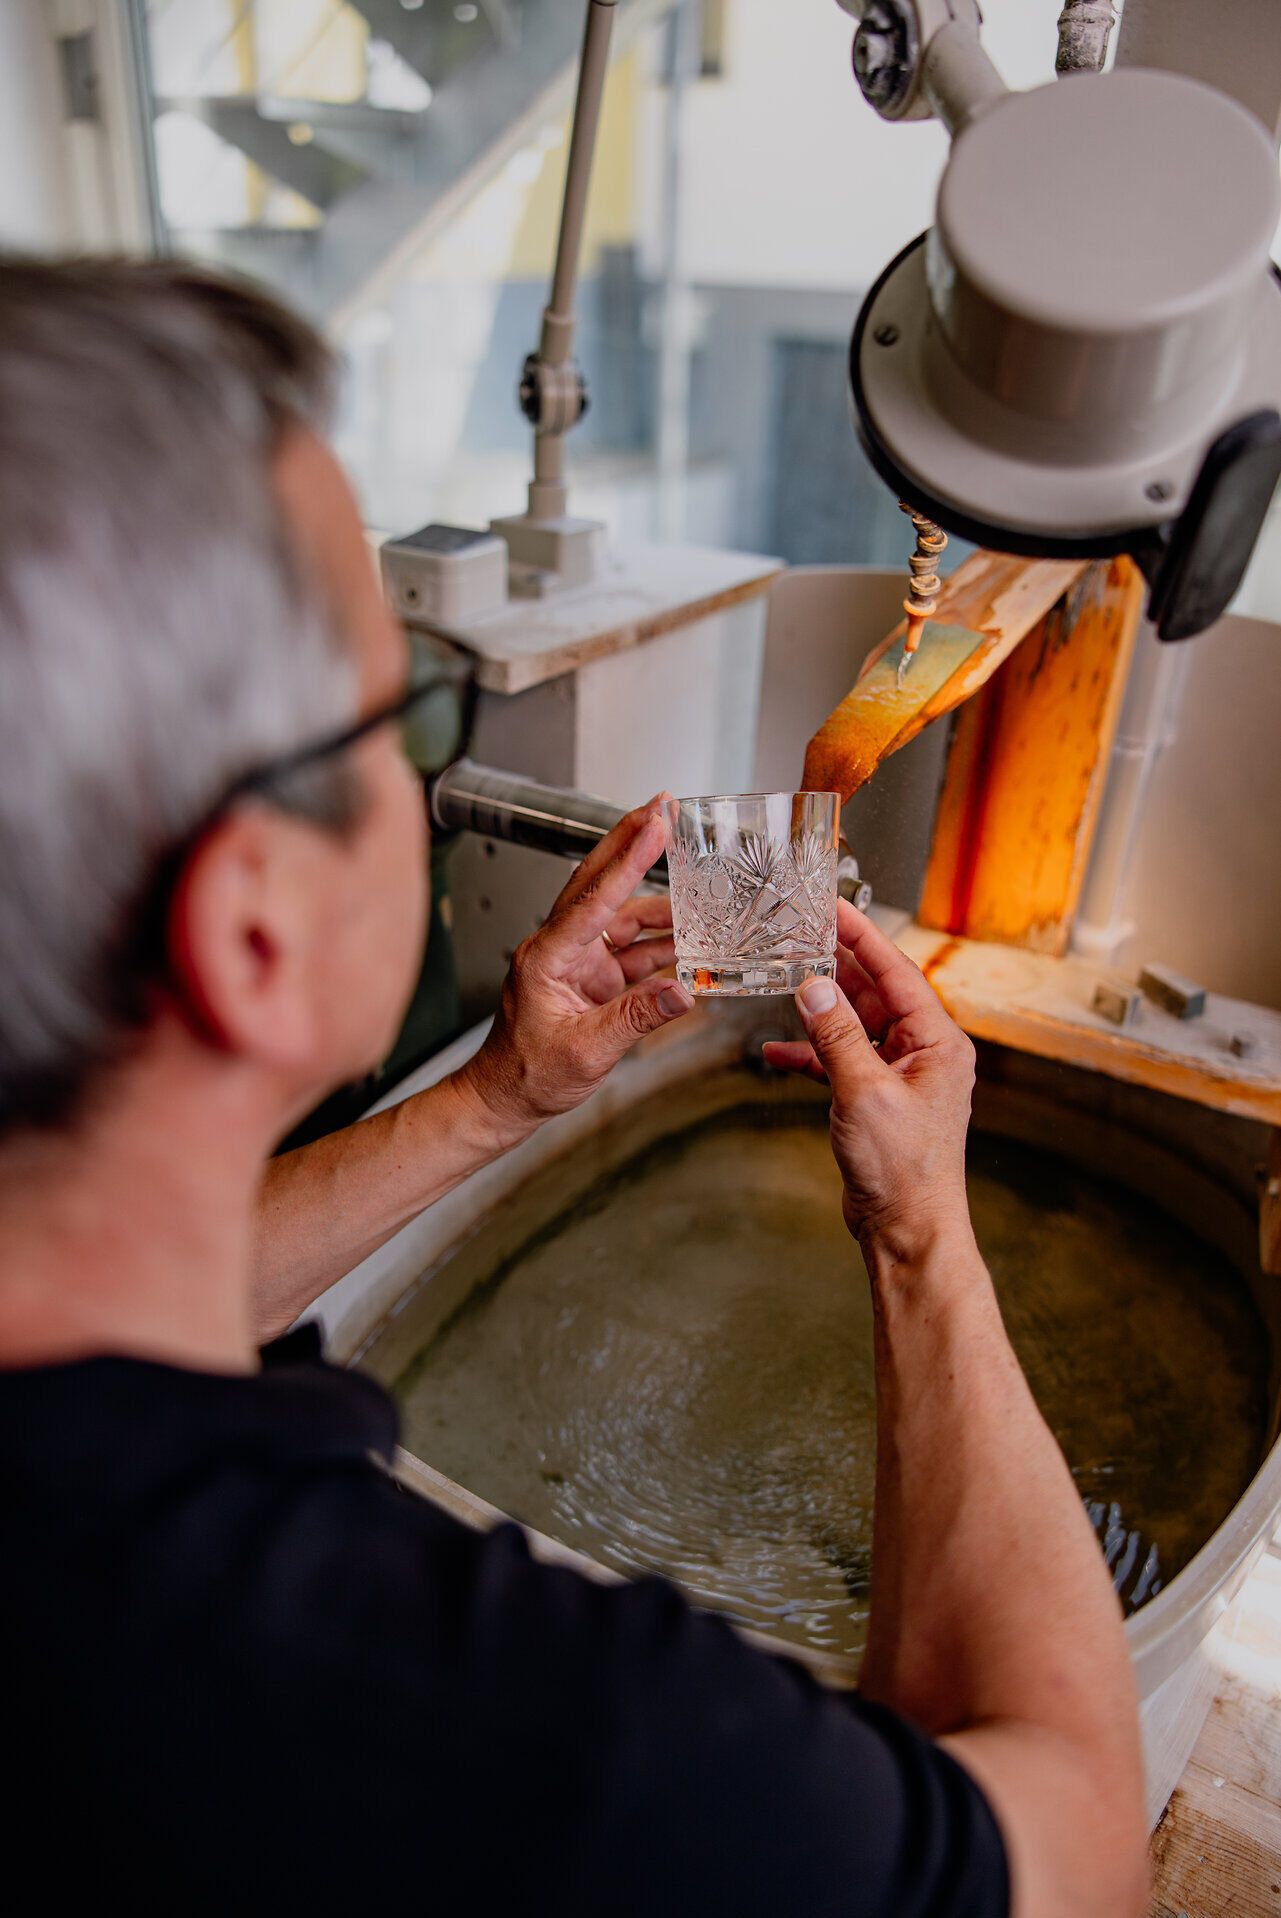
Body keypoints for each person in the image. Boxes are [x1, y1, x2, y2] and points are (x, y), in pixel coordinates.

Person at [0, 259, 1148, 1917]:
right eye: (402, 722)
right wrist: (919, 1235)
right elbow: (1081, 1851)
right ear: (252, 928)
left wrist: (492, 1102)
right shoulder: (535, 1734)